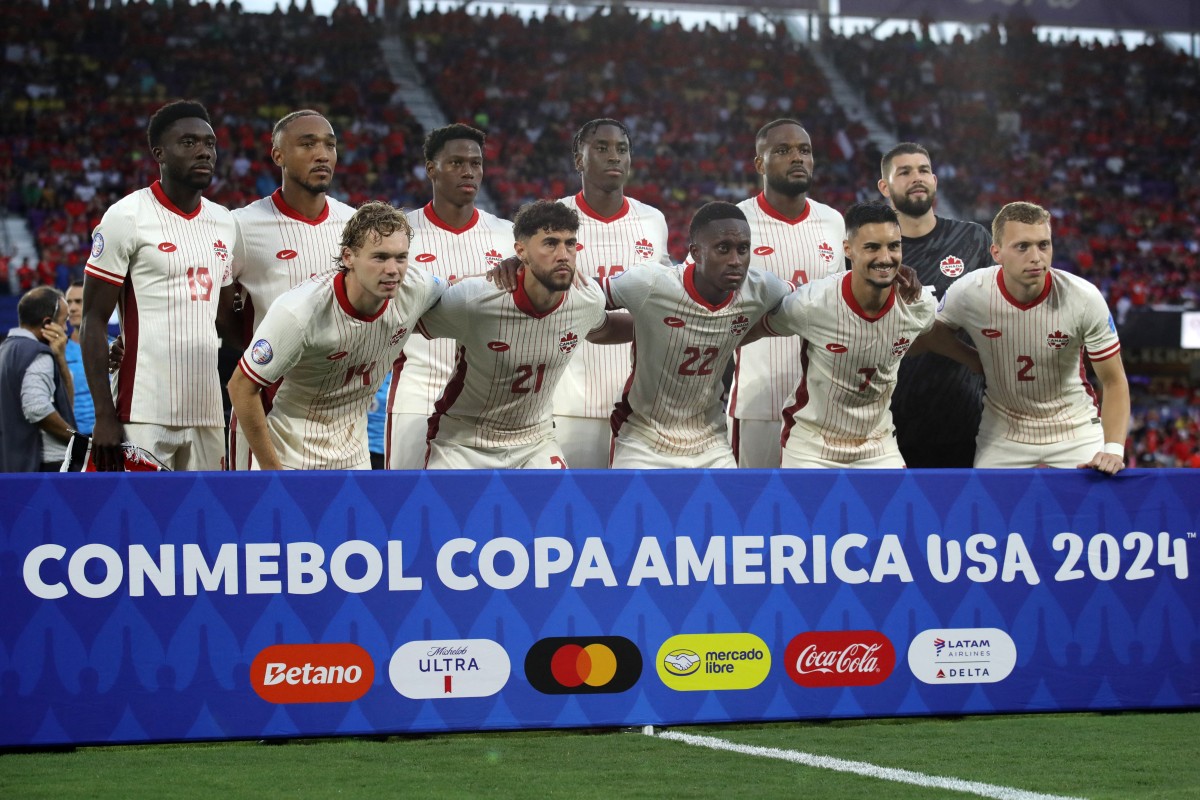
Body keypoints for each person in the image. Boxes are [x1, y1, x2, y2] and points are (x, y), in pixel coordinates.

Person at [226, 202, 444, 470]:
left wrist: (507, 271)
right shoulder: (299, 311)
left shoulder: (417, 286)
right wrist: (274, 474)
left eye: (401, 257)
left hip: (354, 455)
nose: (393, 269)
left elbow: (463, 294)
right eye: (379, 257)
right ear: (348, 257)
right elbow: (240, 387)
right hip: (288, 453)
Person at [755, 202, 973, 469]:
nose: (885, 257)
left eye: (893, 246)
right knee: (809, 511)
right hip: (813, 444)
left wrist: (977, 361)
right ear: (848, 249)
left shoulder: (919, 305)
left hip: (877, 443)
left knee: (897, 510)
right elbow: (760, 326)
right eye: (872, 247)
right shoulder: (812, 303)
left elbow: (926, 335)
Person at [81, 100, 237, 471]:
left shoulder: (225, 222)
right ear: (159, 153)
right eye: (188, 142)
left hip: (208, 410)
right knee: (137, 523)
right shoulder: (126, 216)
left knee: (205, 524)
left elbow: (228, 320)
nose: (204, 151)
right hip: (142, 408)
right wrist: (104, 414)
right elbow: (92, 319)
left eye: (210, 143)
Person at [417, 200, 630, 470]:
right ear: (521, 251)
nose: (563, 254)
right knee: (448, 513)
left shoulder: (586, 299)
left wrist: (665, 325)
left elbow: (605, 328)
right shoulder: (475, 299)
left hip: (535, 441)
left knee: (560, 510)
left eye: (570, 243)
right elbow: (410, 321)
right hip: (463, 441)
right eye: (550, 243)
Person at [928, 201, 1130, 474]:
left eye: (1043, 245)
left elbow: (1114, 380)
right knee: (990, 513)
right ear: (996, 253)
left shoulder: (1084, 297)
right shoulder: (969, 292)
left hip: (1075, 430)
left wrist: (1114, 450)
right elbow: (932, 333)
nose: (1036, 257)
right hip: (1003, 433)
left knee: (1090, 512)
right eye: (1022, 246)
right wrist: (972, 359)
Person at [601, 202, 792, 468]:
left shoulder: (763, 288)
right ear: (696, 253)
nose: (736, 261)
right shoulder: (651, 284)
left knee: (728, 509)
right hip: (643, 438)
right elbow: (584, 298)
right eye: (723, 249)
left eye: (743, 249)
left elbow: (812, 302)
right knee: (637, 510)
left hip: (710, 441)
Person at [226, 109, 355, 470]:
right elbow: (220, 310)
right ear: (278, 155)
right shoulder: (242, 225)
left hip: (340, 415)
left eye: (329, 145)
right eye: (307, 143)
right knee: (256, 522)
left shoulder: (355, 224)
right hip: (265, 408)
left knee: (345, 525)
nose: (322, 154)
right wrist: (260, 349)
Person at [386, 123, 514, 469]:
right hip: (419, 393)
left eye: (475, 163)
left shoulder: (507, 236)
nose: (468, 171)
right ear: (431, 169)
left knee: (480, 515)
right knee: (408, 509)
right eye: (456, 163)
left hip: (488, 400)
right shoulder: (399, 234)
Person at [553, 118, 672, 469]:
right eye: (601, 148)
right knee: (572, 515)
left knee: (634, 516)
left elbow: (662, 301)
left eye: (621, 149)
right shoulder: (553, 218)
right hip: (570, 401)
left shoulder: (652, 221)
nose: (613, 156)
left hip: (641, 405)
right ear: (579, 159)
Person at [728, 119, 846, 468]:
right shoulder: (734, 221)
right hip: (757, 401)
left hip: (821, 402)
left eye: (804, 151)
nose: (797, 158)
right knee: (750, 513)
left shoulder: (833, 222)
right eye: (783, 151)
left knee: (811, 513)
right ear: (760, 164)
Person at [878, 142, 993, 468]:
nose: (917, 178)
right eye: (905, 172)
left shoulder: (973, 239)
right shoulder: (873, 250)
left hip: (966, 420)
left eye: (924, 170)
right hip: (887, 425)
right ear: (884, 186)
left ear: (935, 180)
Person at [0, 286, 74, 471]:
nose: (66, 328)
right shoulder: (37, 354)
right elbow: (37, 409)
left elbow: (66, 404)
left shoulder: (5, 350)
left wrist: (61, 359)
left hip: (12, 461)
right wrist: (77, 440)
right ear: (48, 323)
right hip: (43, 466)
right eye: (64, 321)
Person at [63, 279, 96, 435]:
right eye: (68, 303)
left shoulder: (114, 348)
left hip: (112, 438)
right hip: (75, 438)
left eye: (78, 301)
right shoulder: (58, 351)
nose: (72, 308)